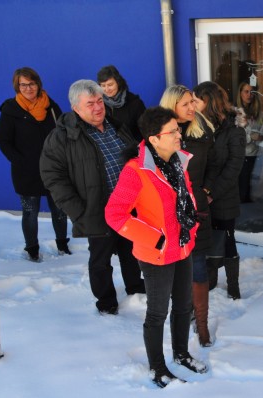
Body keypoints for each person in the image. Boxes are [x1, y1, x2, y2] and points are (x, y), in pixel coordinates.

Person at [105, 106, 208, 388]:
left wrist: (192, 228)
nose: (179, 135)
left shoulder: (178, 161)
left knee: (184, 306)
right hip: (156, 254)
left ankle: (181, 353)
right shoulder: (135, 171)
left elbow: (186, 200)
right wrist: (156, 238)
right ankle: (158, 367)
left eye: (178, 129)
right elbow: (114, 214)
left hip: (183, 248)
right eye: (172, 131)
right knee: (157, 312)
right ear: (153, 138)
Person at [40, 79, 145, 315]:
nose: (98, 107)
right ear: (76, 108)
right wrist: (78, 211)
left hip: (129, 205)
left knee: (131, 250)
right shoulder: (63, 137)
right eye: (91, 104)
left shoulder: (115, 125)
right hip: (97, 209)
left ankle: (135, 287)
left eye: (100, 101)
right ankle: (106, 302)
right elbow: (52, 176)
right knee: (100, 259)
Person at [160, 84, 215, 347]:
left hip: (197, 207)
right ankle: (183, 315)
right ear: (172, 107)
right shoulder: (158, 134)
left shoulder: (202, 130)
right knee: (177, 268)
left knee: (199, 266)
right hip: (169, 209)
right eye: (186, 104)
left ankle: (202, 325)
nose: (193, 107)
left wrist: (207, 190)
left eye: (193, 102)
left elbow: (216, 164)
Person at [0, 67, 70, 261]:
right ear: (17, 86)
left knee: (60, 211)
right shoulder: (10, 110)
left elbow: (64, 135)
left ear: (38, 84)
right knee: (30, 213)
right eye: (23, 84)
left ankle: (63, 245)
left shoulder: (52, 108)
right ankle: (32, 249)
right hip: (26, 172)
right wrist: (20, 161)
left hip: (54, 170)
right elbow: (4, 141)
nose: (28, 88)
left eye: (32, 83)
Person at [193, 81, 245, 300]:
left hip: (224, 197)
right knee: (206, 240)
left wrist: (211, 194)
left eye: (197, 101)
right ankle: (211, 279)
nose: (193, 105)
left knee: (227, 241)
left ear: (210, 103)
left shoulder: (234, 130)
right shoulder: (197, 127)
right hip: (202, 197)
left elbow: (234, 168)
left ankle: (233, 285)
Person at [235, 81, 263, 203]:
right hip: (241, 153)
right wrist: (252, 137)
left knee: (249, 180)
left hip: (254, 152)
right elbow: (237, 135)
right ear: (240, 93)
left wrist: (262, 135)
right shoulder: (237, 111)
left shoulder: (256, 111)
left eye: (252, 92)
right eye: (246, 91)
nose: (249, 95)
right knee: (243, 182)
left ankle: (246, 201)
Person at [97, 65, 146, 142]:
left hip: (131, 150)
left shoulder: (135, 104)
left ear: (118, 83)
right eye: (103, 86)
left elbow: (145, 131)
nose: (106, 89)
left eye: (110, 85)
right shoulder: (98, 104)